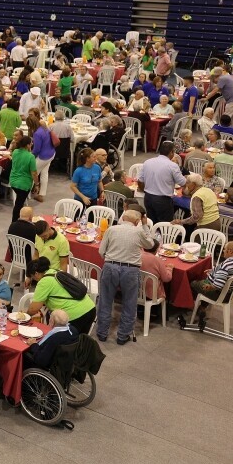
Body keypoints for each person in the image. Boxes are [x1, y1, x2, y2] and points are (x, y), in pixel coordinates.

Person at [96, 209, 154, 344]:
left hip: (110, 266)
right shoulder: (139, 231)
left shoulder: (111, 229)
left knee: (105, 300)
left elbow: (101, 251)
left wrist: (111, 261)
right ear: (137, 221)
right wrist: (145, 226)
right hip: (131, 270)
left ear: (123, 218)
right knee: (129, 303)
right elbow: (150, 245)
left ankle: (102, 333)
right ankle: (122, 336)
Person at [24, 257, 97, 336]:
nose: (34, 279)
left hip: (75, 315)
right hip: (90, 309)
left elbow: (33, 309)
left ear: (36, 273)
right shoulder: (55, 272)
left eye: (32, 277)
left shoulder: (44, 282)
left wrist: (25, 316)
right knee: (80, 343)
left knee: (67, 344)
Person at [190, 241, 233, 318]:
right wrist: (213, 271)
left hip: (220, 294)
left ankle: (189, 306)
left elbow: (218, 284)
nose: (223, 251)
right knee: (205, 283)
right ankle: (202, 307)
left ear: (230, 251)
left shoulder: (226, 265)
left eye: (225, 249)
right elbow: (227, 273)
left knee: (193, 283)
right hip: (232, 294)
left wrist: (211, 287)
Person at [138, 141, 187, 224]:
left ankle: (152, 237)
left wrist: (144, 190)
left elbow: (140, 181)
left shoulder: (147, 162)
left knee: (151, 223)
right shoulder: (172, 165)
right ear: (171, 152)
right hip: (163, 200)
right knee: (164, 226)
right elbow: (182, 182)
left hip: (148, 198)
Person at [9, 136, 38, 222]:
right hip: (24, 184)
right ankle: (14, 223)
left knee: (19, 202)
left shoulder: (15, 152)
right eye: (31, 143)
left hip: (13, 181)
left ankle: (19, 221)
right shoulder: (31, 157)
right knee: (19, 204)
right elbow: (34, 173)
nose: (32, 144)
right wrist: (37, 184)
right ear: (28, 145)